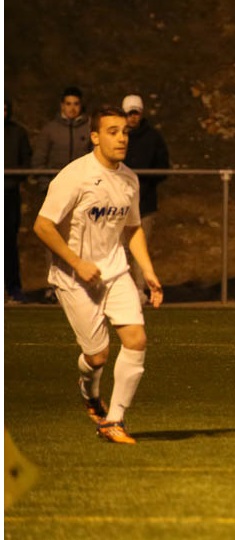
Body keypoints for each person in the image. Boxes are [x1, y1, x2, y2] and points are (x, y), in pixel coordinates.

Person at [33, 105, 164, 445]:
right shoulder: (75, 176)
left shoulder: (129, 179)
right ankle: (89, 391)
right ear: (95, 137)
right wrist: (77, 263)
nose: (122, 138)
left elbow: (133, 228)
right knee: (97, 356)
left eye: (125, 132)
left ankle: (114, 420)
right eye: (112, 131)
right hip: (74, 277)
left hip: (115, 270)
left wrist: (149, 272)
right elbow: (42, 226)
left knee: (136, 339)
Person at [32, 86, 92, 304]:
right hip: (57, 194)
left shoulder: (89, 128)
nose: (72, 108)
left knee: (83, 236)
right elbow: (39, 161)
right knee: (53, 238)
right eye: (68, 104)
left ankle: (82, 279)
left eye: (76, 104)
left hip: (83, 194)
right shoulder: (50, 130)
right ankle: (54, 284)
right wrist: (46, 187)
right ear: (62, 105)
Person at [121, 94, 170, 305]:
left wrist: (145, 182)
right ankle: (122, 289)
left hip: (144, 203)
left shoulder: (153, 138)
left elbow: (163, 167)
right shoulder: (118, 135)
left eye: (136, 113)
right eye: (129, 113)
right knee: (121, 249)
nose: (132, 117)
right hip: (120, 203)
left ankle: (140, 289)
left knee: (140, 248)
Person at [4, 99, 33, 304]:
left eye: (4, 109)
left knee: (9, 242)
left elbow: (26, 160)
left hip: (9, 193)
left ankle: (13, 287)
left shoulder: (18, 133)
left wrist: (14, 179)